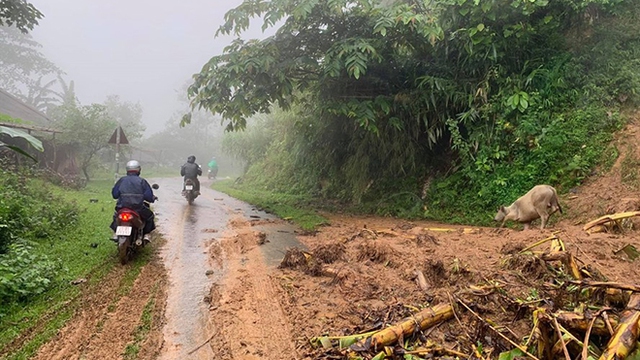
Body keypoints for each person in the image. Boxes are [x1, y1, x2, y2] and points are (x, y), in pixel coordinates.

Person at [110, 160, 157, 241]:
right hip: (138, 208)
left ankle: (115, 232)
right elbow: (149, 197)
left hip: (122, 207)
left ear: (127, 170)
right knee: (150, 216)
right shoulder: (142, 181)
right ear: (139, 170)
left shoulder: (121, 180)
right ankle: (146, 234)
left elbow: (115, 195)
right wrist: (152, 198)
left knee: (116, 216)